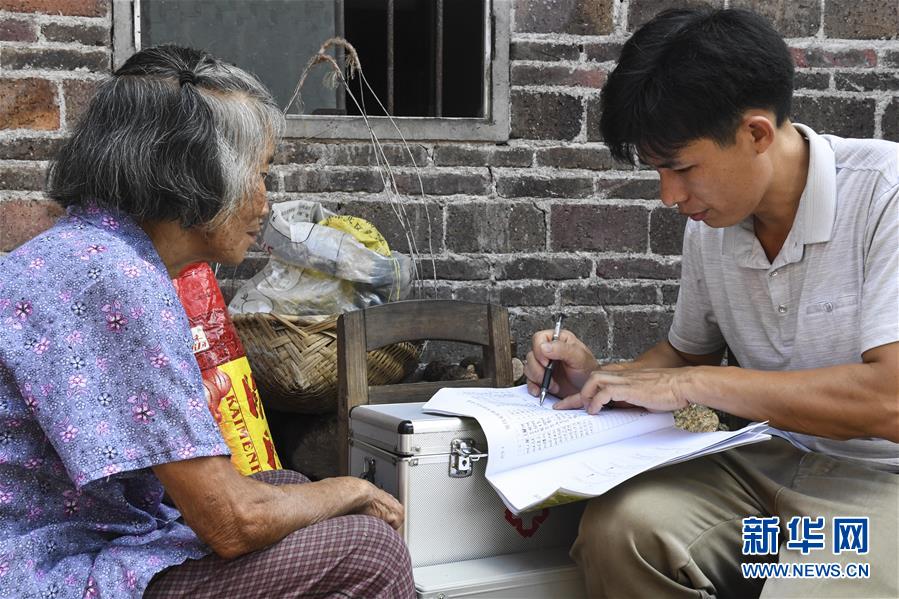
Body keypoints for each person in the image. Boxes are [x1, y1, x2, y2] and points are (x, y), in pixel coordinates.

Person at [0, 45, 414, 598]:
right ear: (196, 175)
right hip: (46, 570)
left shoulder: (91, 251)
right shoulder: (116, 279)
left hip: (77, 536)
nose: (265, 202)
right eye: (259, 174)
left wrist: (322, 496)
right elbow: (231, 522)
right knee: (370, 551)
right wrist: (350, 489)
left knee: (286, 484)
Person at [525, 8, 897, 598]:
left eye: (681, 168)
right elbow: (683, 357)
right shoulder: (714, 223)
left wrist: (694, 384)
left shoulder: (885, 195)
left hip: (879, 479)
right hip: (765, 464)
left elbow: (889, 402)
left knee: (812, 583)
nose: (669, 196)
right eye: (658, 171)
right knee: (621, 532)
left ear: (756, 134)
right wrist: (597, 379)